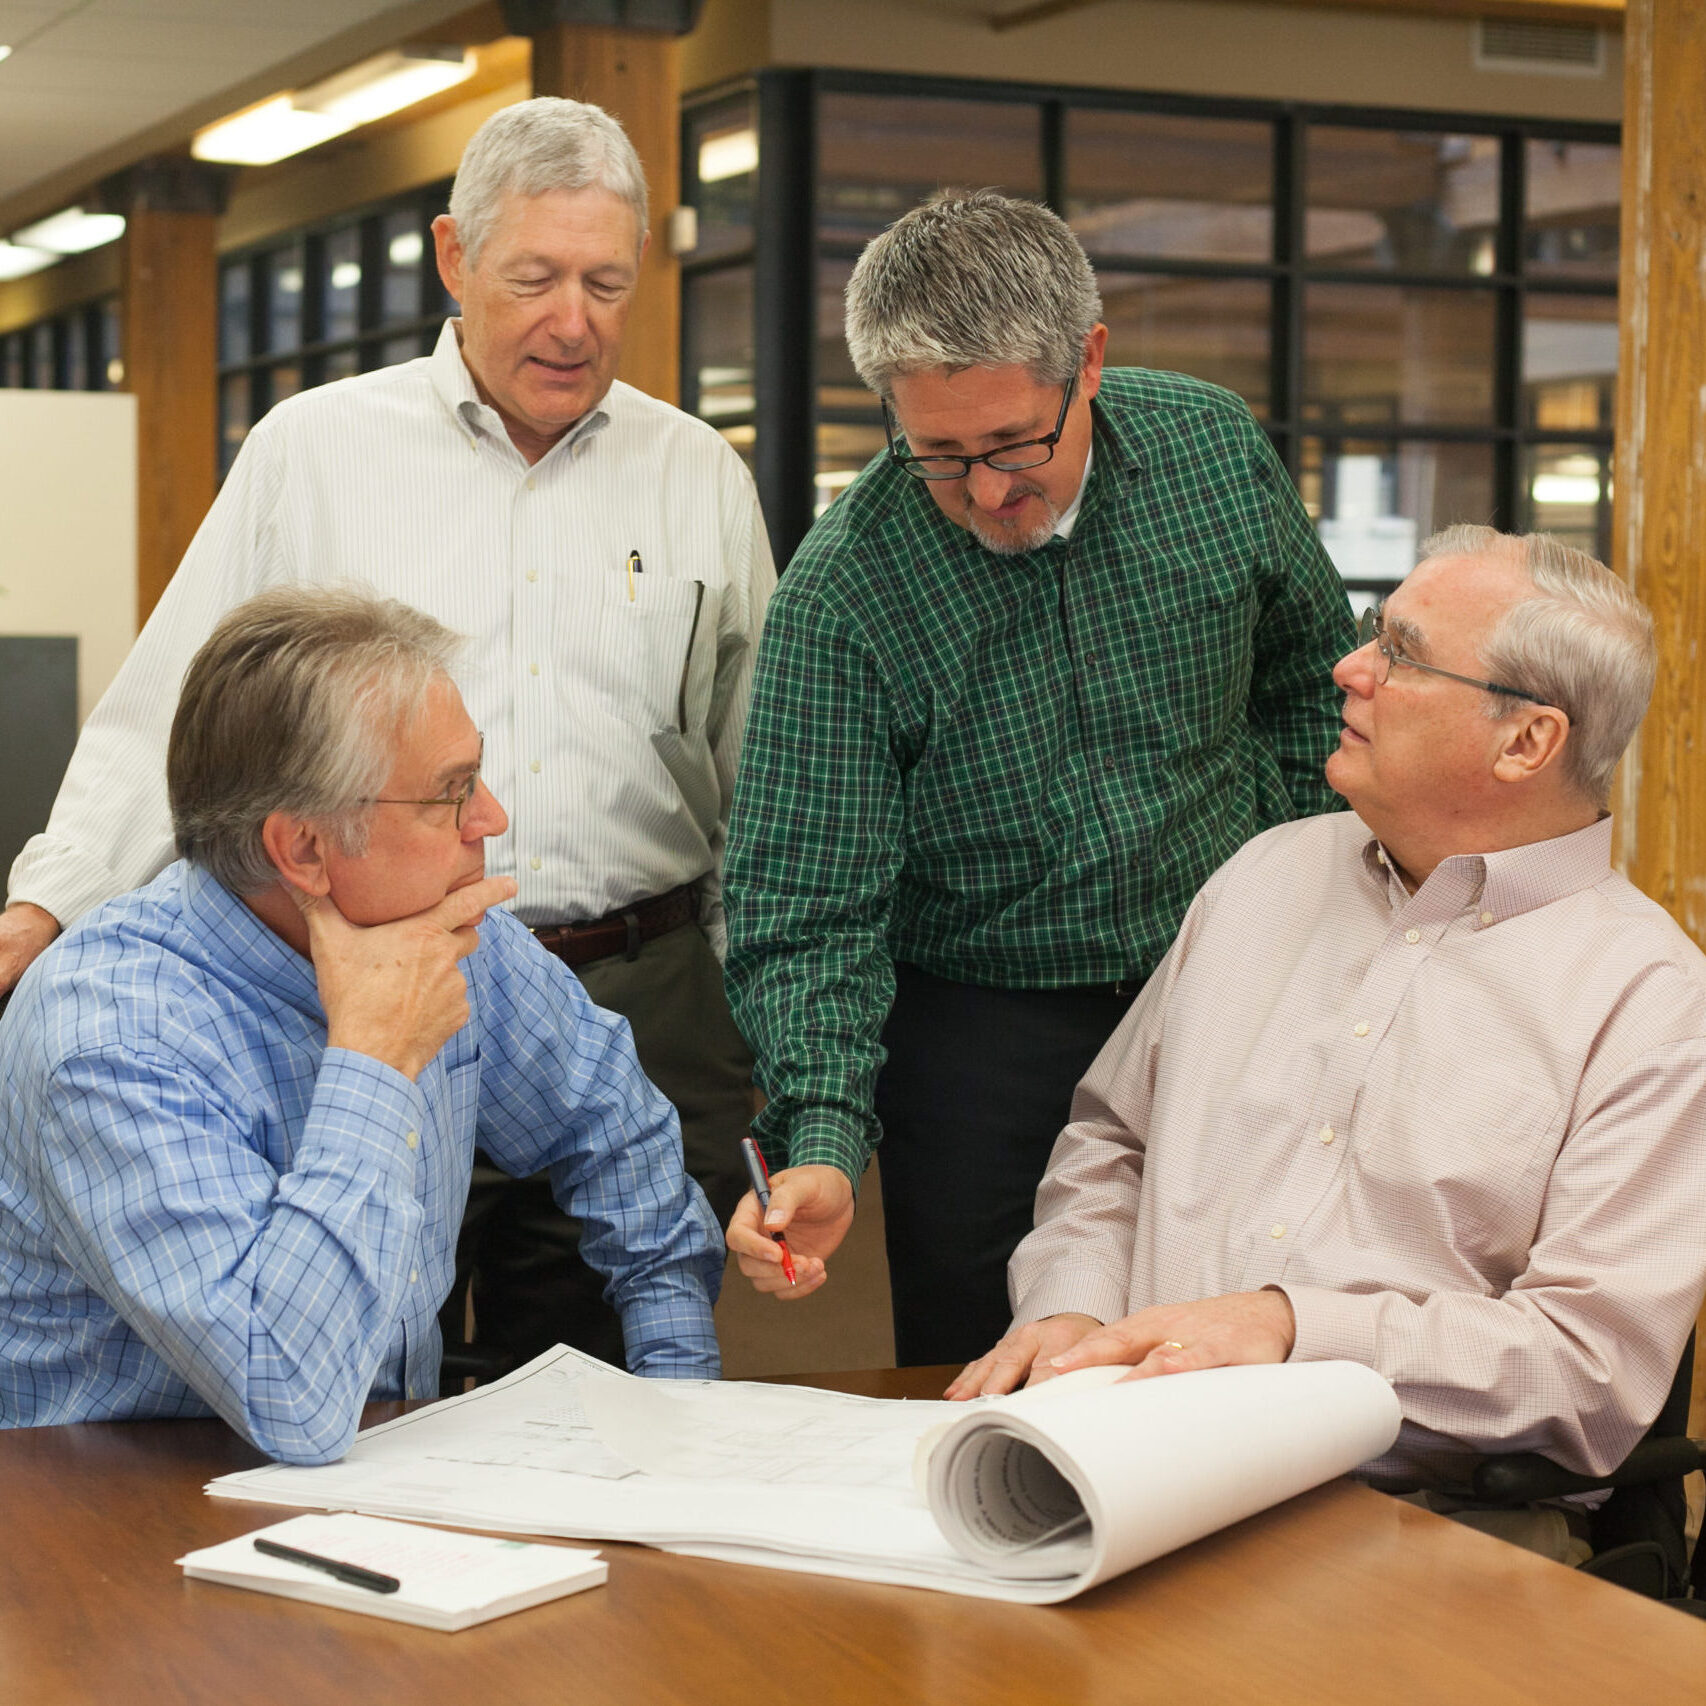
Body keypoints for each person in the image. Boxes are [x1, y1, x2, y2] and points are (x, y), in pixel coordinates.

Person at [0, 98, 773, 1375]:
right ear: (454, 258)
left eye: (603, 282)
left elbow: (759, 770)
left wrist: (761, 1024)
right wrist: (47, 907)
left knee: (591, 1376)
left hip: (639, 980)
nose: (571, 319)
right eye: (533, 277)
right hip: (363, 967)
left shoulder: (696, 473)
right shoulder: (319, 449)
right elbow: (179, 708)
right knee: (354, 1333)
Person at [949, 528, 1706, 1560]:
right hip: (1128, 1468)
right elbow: (1110, 1141)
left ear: (1524, 741)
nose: (1347, 668)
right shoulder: (1262, 875)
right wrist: (1072, 1306)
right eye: (1369, 634)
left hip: (1427, 1533)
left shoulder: (1648, 999)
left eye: (1400, 651)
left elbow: (1585, 1369)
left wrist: (1291, 1328)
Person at [723, 189, 1354, 1364]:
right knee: (1000, 1360)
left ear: (1091, 363)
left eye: (1015, 444)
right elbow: (806, 909)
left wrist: (1295, 900)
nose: (988, 491)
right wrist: (817, 1131)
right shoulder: (846, 595)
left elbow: (1311, 691)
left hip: (1226, 981)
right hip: (982, 1035)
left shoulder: (1210, 456)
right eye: (938, 456)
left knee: (1235, 1313)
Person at [0, 587, 722, 1464]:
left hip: (377, 1483)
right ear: (303, 849)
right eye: (452, 793)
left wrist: (682, 1391)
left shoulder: (451, 935)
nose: (492, 819)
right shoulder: (107, 1035)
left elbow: (614, 1127)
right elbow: (293, 1401)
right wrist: (373, 1059)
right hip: (112, 1515)